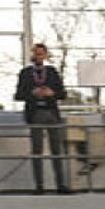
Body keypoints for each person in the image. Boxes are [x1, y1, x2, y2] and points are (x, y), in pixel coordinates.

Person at [14, 42, 70, 194]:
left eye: (41, 54)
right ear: (32, 55)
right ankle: (39, 186)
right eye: (36, 53)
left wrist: (52, 93)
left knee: (56, 150)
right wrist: (33, 93)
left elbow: (63, 94)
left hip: (51, 112)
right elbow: (18, 95)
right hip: (35, 113)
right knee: (37, 150)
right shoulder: (25, 73)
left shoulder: (52, 72)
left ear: (45, 55)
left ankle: (61, 185)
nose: (38, 56)